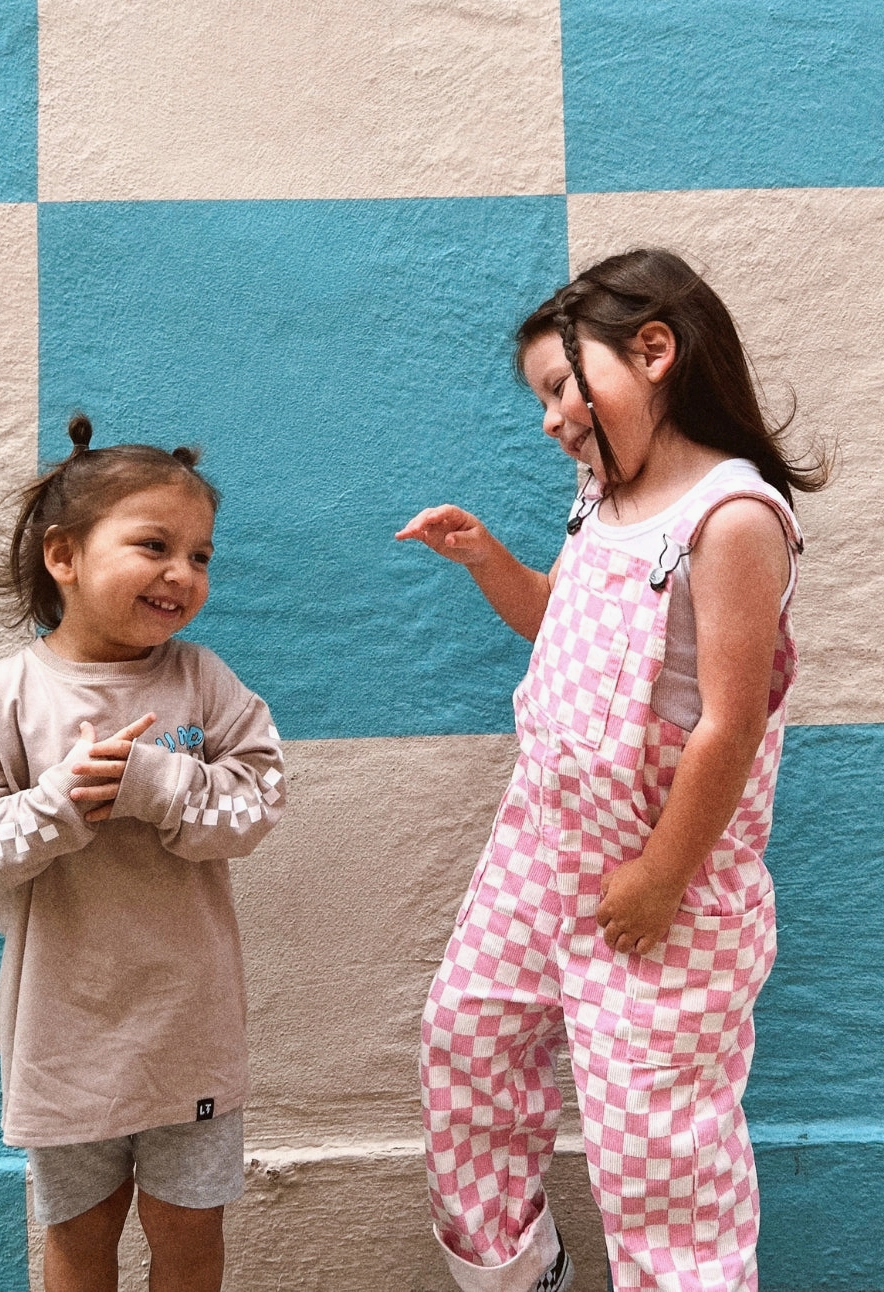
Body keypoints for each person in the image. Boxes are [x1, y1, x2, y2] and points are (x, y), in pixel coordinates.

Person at [396, 248, 828, 1292]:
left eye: (560, 387)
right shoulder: (602, 494)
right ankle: (517, 1272)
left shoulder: (731, 517)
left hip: (662, 875)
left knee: (656, 1148)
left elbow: (729, 725)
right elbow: (562, 624)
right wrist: (490, 561)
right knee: (466, 1037)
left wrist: (662, 875)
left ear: (654, 351)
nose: (552, 419)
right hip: (540, 844)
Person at [0, 415, 285, 1292]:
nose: (182, 573)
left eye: (200, 555)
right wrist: (59, 804)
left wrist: (159, 784)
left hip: (189, 1031)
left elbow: (259, 804)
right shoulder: (7, 692)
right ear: (64, 556)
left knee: (189, 1241)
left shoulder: (203, 680)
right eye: (154, 545)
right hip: (63, 1038)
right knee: (80, 1242)